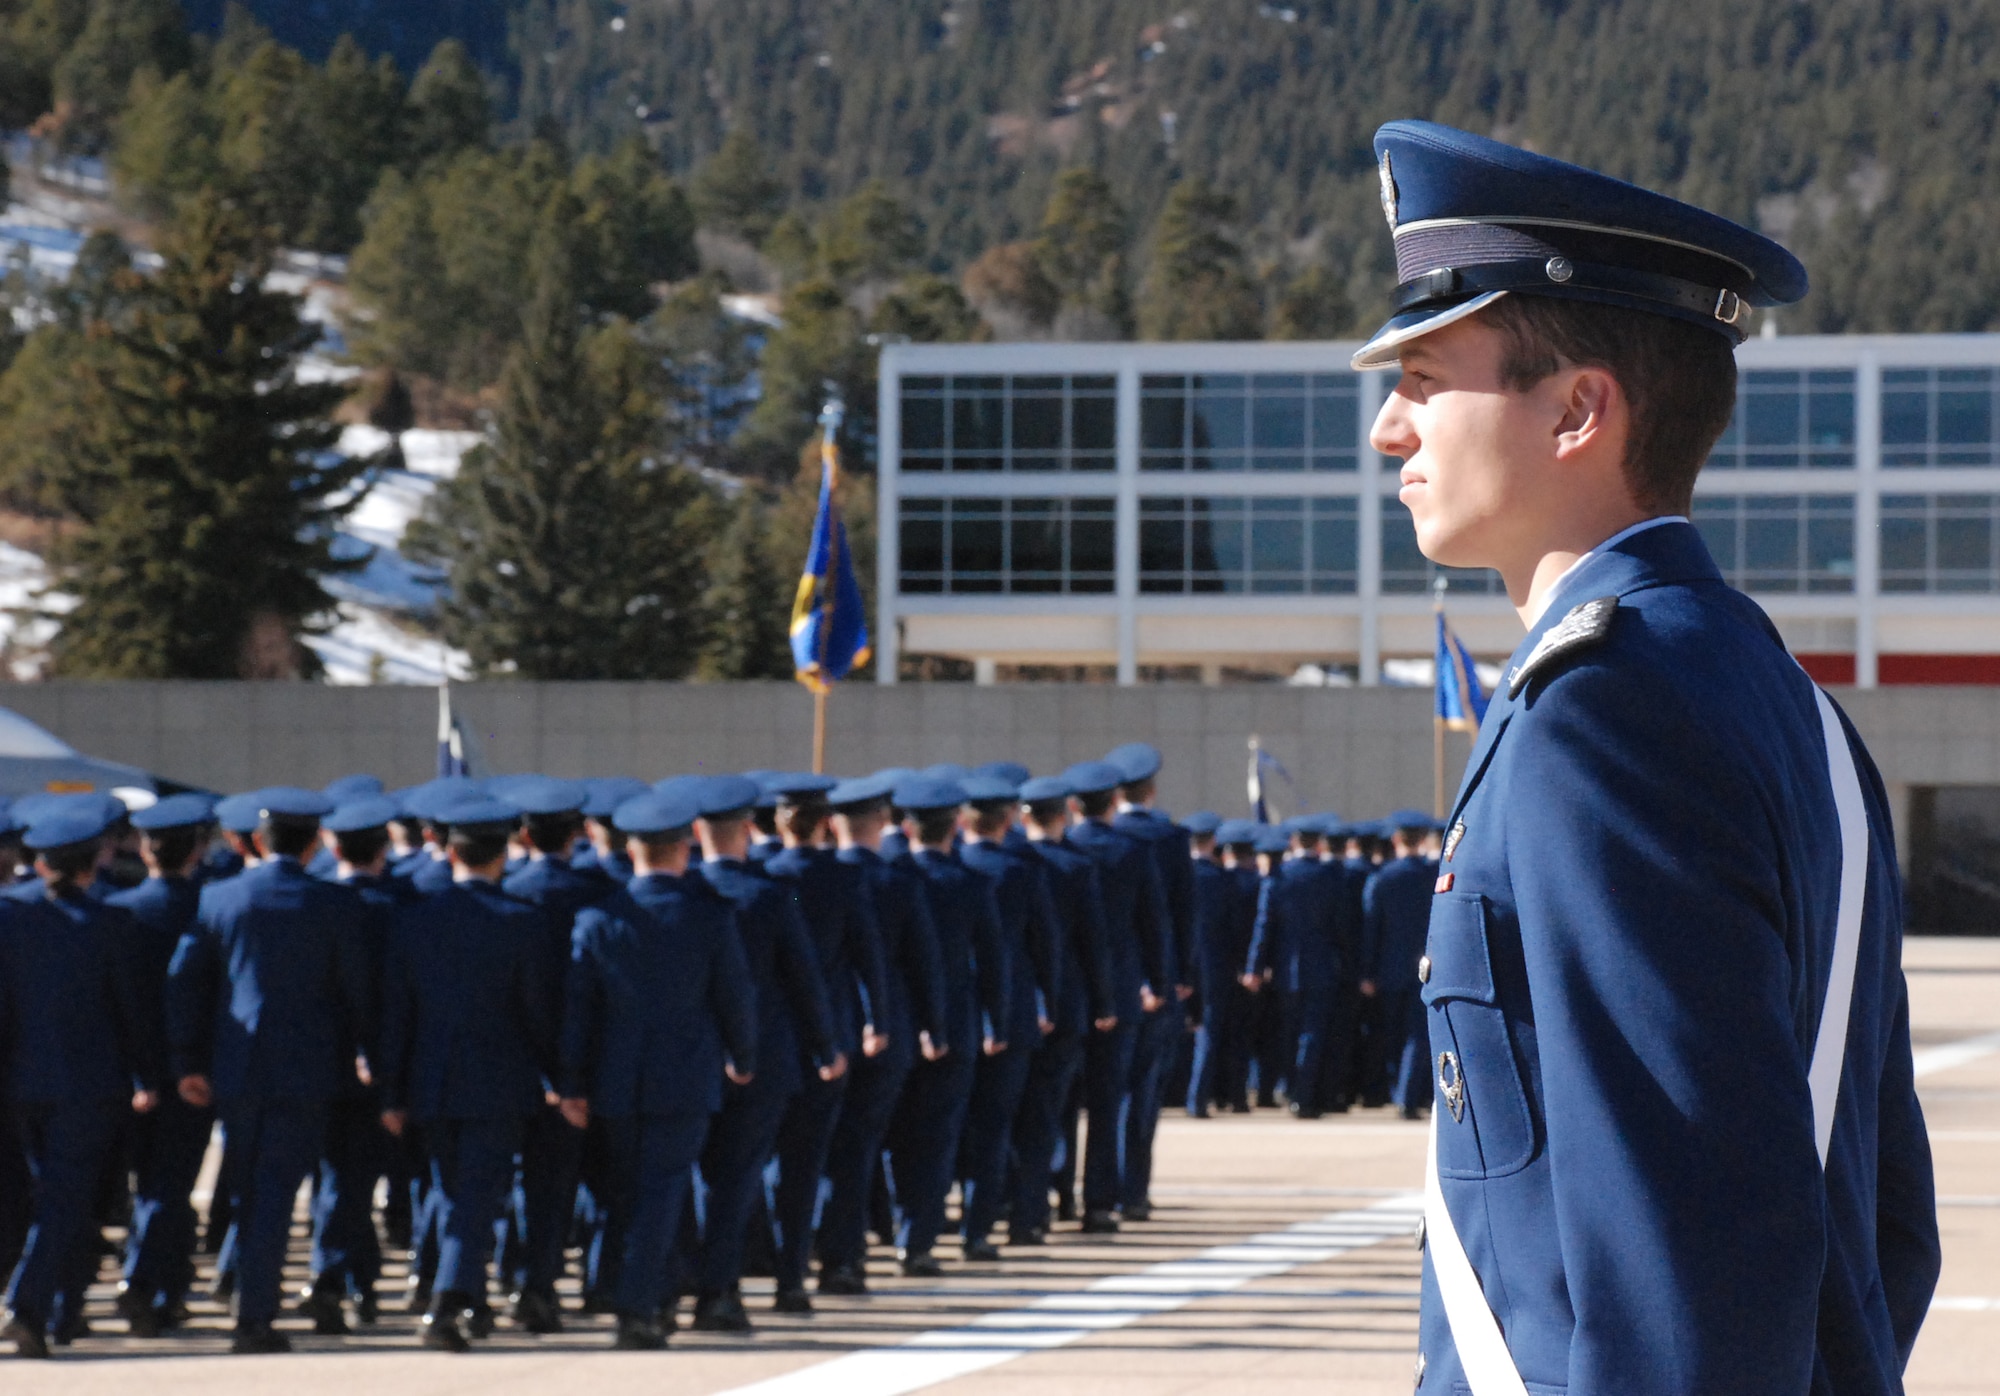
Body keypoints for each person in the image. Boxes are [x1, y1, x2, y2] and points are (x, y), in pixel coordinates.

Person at [1358, 119, 1938, 1393]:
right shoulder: (1782, 704)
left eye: (1423, 377)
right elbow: (1882, 1233)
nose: (1388, 432)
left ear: (1576, 409)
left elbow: (1686, 1276)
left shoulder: (1603, 719)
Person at [166, 787, 370, 1354]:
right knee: (278, 1192)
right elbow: (356, 992)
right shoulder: (335, 904)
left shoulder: (220, 898)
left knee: (253, 1187)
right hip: (308, 1069)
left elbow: (186, 983)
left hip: (240, 1065)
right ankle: (253, 1313)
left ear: (257, 840)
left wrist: (186, 1060)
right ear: (312, 846)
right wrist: (362, 1054)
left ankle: (245, 1292)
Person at [559, 789, 759, 1350]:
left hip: (616, 1079)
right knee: (662, 1193)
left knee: (630, 1195)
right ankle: (639, 1305)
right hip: (685, 1078)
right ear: (684, 848)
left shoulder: (599, 918)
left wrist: (571, 1082)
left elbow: (580, 1008)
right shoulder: (709, 917)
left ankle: (650, 1293)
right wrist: (743, 1058)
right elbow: (734, 998)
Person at [376, 793, 556, 1352]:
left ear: (449, 853)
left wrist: (390, 1090)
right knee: (475, 1194)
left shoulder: (414, 922)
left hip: (431, 1080)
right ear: (503, 854)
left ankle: (468, 1297)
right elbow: (540, 1015)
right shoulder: (523, 923)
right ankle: (450, 1301)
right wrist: (561, 1078)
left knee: (457, 1192)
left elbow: (395, 1016)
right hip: (499, 1082)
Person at [0, 800, 162, 1358]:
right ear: (93, 864)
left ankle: (63, 1312)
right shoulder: (113, 924)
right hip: (90, 1086)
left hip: (23, 1084)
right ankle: (28, 1306)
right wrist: (149, 1075)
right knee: (67, 1201)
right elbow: (132, 1013)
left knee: (56, 1198)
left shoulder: (9, 918)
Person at [683, 774, 842, 1333]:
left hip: (692, 1058)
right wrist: (825, 1045)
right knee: (737, 1177)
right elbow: (804, 979)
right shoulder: (769, 896)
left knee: (696, 1177)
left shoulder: (682, 894)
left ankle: (695, 1280)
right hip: (767, 1056)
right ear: (748, 829)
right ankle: (718, 1290)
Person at [757, 772, 889, 1312]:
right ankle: (834, 1260)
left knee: (770, 1160)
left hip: (770, 1036)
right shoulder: (844, 879)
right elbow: (867, 955)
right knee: (831, 1157)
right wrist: (876, 1020)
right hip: (831, 1032)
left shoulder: (765, 877)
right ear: (827, 824)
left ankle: (779, 1258)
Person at [818, 772, 947, 1296]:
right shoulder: (899, 881)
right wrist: (933, 1028)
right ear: (884, 823)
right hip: (888, 1029)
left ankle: (826, 1249)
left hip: (826, 1031)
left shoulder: (814, 882)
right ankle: (854, 1253)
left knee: (825, 1152)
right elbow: (924, 962)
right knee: (869, 1147)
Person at [881, 774, 1006, 1275]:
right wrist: (996, 1020)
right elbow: (993, 960)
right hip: (955, 1024)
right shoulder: (970, 884)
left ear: (908, 828)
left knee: (894, 1135)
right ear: (955, 827)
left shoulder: (890, 878)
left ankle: (897, 1225)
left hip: (895, 1023)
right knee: (938, 1137)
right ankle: (919, 1239)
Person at [500, 776, 610, 1333]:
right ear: (577, 834)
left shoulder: (506, 892)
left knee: (512, 1181)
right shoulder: (597, 893)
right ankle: (548, 1286)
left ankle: (515, 1278)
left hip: (508, 1061)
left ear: (522, 834)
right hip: (580, 1058)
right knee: (562, 1183)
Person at [297, 796, 406, 1333]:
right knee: (349, 1180)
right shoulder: (403, 905)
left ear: (333, 846)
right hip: (380, 1063)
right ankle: (344, 1279)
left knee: (340, 1179)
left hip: (322, 1063)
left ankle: (343, 1278)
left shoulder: (315, 903)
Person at [109, 794, 214, 1337]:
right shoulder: (209, 905)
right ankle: (145, 1281)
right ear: (196, 851)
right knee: (170, 1185)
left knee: (153, 1184)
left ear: (147, 851)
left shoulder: (123, 911)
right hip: (193, 1069)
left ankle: (164, 1288)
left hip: (133, 1071)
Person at [954, 771, 1059, 1260]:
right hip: (1013, 1009)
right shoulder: (1024, 869)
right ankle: (997, 1224)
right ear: (1006, 820)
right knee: (1007, 1126)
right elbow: (1046, 947)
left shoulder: (949, 867)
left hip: (953, 1012)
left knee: (950, 1127)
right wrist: (1047, 1004)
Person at [1061, 761, 1169, 1233]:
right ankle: (1098, 1202)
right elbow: (1154, 925)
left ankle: (1057, 1194)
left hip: (1065, 991)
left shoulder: (1060, 851)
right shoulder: (1134, 853)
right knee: (1106, 1105)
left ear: (1072, 807)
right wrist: (1161, 984)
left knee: (1058, 1103)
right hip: (1121, 991)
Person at [1015, 776, 1117, 1246]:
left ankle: (1015, 1205)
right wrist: (1104, 1002)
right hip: (1068, 1004)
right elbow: (1095, 942)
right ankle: (1041, 1206)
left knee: (1014, 1112)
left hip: (1015, 1005)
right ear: (1063, 816)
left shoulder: (1011, 864)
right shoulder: (1077, 868)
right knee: (1052, 1113)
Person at [1104, 743, 1194, 1221]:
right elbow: (1180, 915)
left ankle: (1099, 1187)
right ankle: (1132, 1190)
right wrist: (1176, 977)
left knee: (1106, 1093)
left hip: (1111, 979)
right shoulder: (1169, 838)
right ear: (1151, 791)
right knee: (1143, 1092)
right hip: (1159, 979)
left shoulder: (1102, 837)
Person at [1358, 812, 1438, 1119]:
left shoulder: (1382, 877)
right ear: (1422, 840)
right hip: (1425, 967)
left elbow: (1371, 928)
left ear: (1395, 840)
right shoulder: (1431, 874)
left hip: (1389, 968)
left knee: (1392, 1035)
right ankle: (1411, 1095)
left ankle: (1399, 1093)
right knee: (1418, 1036)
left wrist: (1367, 971)